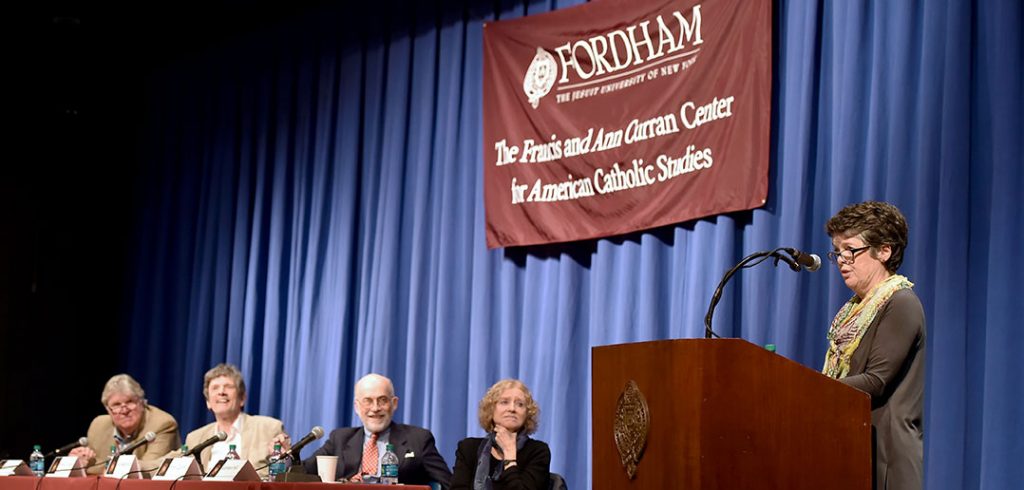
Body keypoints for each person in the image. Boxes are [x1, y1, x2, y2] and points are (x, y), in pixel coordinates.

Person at [822, 201, 925, 490]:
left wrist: (810, 388)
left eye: (851, 250)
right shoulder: (852, 312)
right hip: (854, 448)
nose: (842, 259)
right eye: (837, 251)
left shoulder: (901, 302)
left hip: (886, 458)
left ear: (884, 250)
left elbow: (876, 380)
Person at [304, 373, 452, 487]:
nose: (375, 408)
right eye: (368, 401)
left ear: (394, 404)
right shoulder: (340, 438)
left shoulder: (418, 439)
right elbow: (303, 471)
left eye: (382, 400)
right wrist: (288, 457)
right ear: (357, 407)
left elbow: (448, 484)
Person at [180, 363, 289, 478]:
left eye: (228, 386)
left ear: (242, 398)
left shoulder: (269, 428)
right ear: (208, 402)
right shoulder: (195, 438)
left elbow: (283, 473)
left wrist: (286, 458)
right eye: (215, 388)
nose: (221, 392)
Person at [68, 374, 180, 474]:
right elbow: (95, 464)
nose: (124, 410)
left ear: (142, 402)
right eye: (116, 405)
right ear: (108, 409)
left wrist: (98, 468)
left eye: (130, 402)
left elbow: (149, 470)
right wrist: (83, 462)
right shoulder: (98, 425)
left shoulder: (162, 424)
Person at [451, 379, 550, 490]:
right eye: (504, 402)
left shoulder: (538, 452)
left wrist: (510, 457)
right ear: (491, 410)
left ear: (527, 414)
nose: (512, 409)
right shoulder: (468, 448)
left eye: (520, 404)